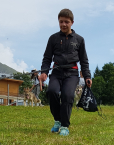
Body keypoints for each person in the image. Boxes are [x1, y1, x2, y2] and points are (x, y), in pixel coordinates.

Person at [38, 8, 92, 136]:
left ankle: (64, 126)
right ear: (58, 22)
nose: (63, 24)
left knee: (67, 96)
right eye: (61, 21)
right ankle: (58, 120)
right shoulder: (53, 38)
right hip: (56, 72)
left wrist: (87, 76)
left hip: (72, 73)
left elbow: (84, 60)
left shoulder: (79, 40)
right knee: (52, 92)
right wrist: (44, 72)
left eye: (66, 22)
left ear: (72, 22)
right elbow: (47, 58)